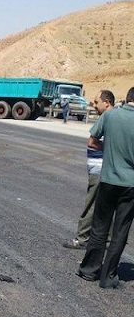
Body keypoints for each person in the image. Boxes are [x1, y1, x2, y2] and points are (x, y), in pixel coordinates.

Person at [76, 87, 134, 289]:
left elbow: (92, 142)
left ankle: (89, 269)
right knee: (120, 231)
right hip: (130, 185)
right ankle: (108, 276)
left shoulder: (110, 115)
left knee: (100, 226)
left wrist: (108, 148)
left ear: (127, 99)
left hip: (108, 180)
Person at [63, 90, 115, 250]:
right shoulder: (116, 118)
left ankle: (82, 238)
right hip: (106, 169)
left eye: (96, 102)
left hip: (98, 170)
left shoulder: (107, 117)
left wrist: (110, 148)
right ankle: (107, 240)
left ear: (106, 102)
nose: (94, 105)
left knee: (91, 204)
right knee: (108, 206)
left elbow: (92, 142)